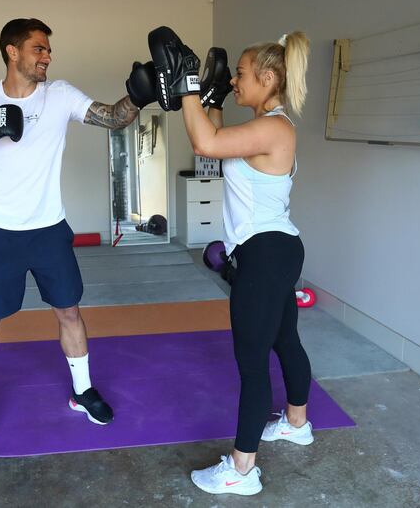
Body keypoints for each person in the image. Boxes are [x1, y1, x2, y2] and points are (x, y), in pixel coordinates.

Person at [0, 18, 140, 439]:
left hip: (50, 229)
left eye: (48, 49)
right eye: (38, 48)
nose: (47, 56)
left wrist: (140, 96)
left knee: (69, 310)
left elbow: (112, 118)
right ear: (12, 52)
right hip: (0, 232)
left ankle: (83, 391)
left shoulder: (60, 95)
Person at [144, 27, 313, 496]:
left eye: (239, 75)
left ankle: (241, 470)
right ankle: (297, 423)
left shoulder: (275, 127)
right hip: (274, 248)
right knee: (284, 340)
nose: (235, 82)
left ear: (266, 77)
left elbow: (205, 145)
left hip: (265, 253)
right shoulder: (267, 126)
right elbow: (213, 135)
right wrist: (208, 96)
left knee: (253, 362)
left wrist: (188, 87)